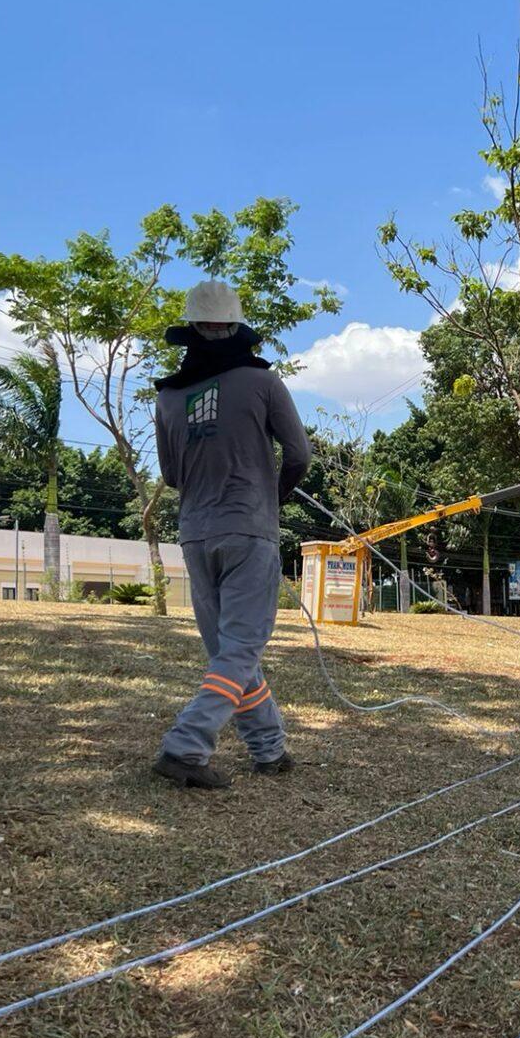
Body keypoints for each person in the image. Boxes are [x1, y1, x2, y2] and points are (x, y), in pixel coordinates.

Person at [150, 281, 311, 789]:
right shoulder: (263, 382)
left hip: (196, 534)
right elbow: (300, 456)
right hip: (249, 527)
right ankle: (185, 744)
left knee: (230, 651)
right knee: (240, 649)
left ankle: (270, 749)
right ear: (237, 328)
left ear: (192, 331)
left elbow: (172, 476)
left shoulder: (168, 398)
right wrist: (273, 493)